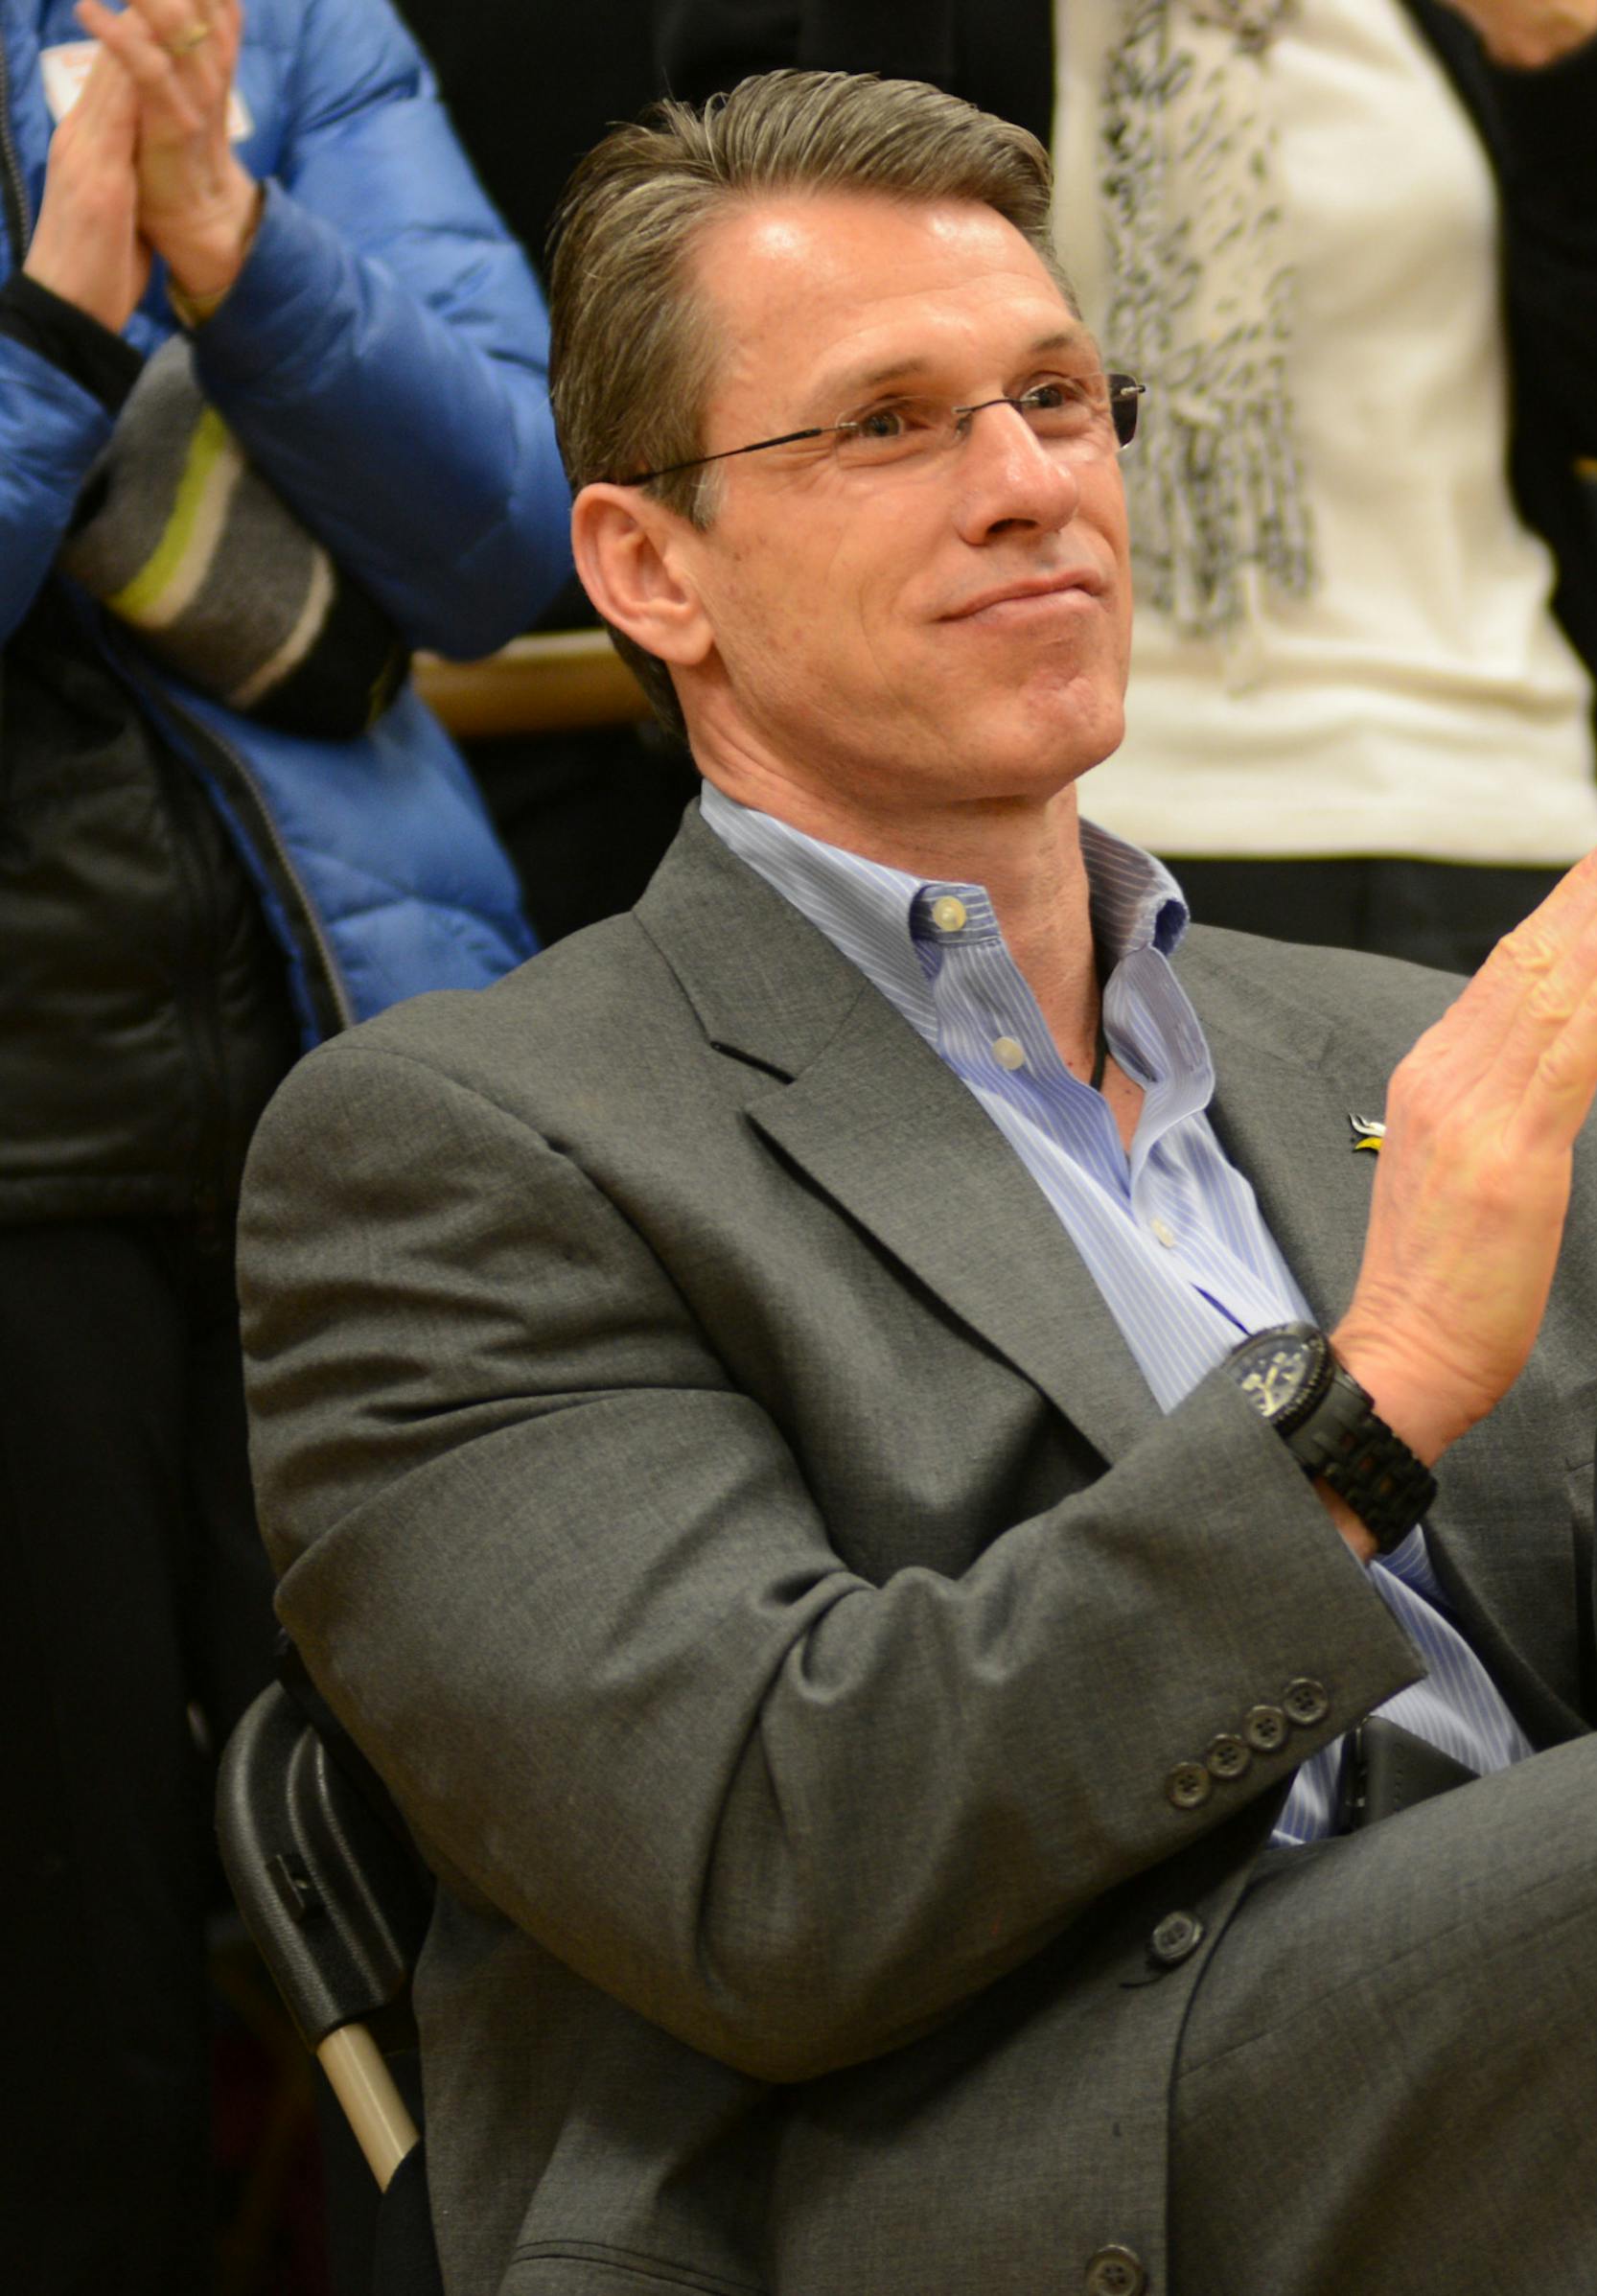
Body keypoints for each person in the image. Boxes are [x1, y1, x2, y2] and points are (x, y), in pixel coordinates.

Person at [239, 71, 1597, 2296]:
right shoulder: (458, 1144)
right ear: (649, 566)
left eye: (1052, 397)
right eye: (890, 424)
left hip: (1566, 2097)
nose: (1028, 486)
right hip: (1020, 2151)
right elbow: (768, 1866)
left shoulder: (1391, 1050)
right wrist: (1366, 1393)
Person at [656, 0, 1597, 1230]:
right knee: (1222, 1387)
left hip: (1482, 788)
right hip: (1086, 841)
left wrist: (1562, 59)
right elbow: (752, 332)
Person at [0, 0, 565, 2284]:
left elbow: (516, 532)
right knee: (67, 1980)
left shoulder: (269, 16)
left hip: (358, 1067)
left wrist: (232, 233)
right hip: (25, 1176)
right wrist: (63, 310)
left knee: (476, 1891)